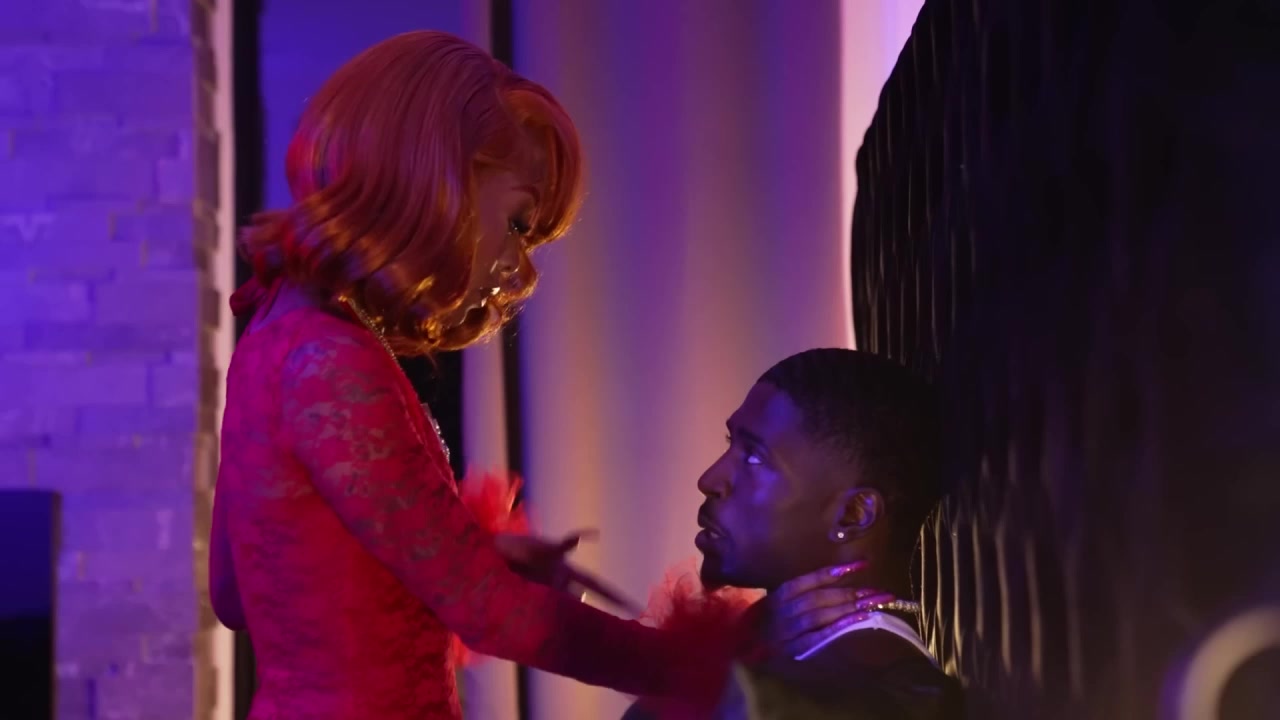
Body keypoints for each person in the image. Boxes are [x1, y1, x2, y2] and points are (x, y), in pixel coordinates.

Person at [210, 31, 878, 720]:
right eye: (517, 222)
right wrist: (708, 666)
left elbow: (236, 590)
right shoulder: (335, 361)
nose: (517, 270)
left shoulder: (272, 335)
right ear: (432, 177)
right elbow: (488, 611)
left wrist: (447, 554)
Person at [628, 349, 962, 719]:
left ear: (853, 515)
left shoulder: (867, 694)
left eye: (754, 457)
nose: (710, 480)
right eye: (730, 443)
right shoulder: (791, 659)